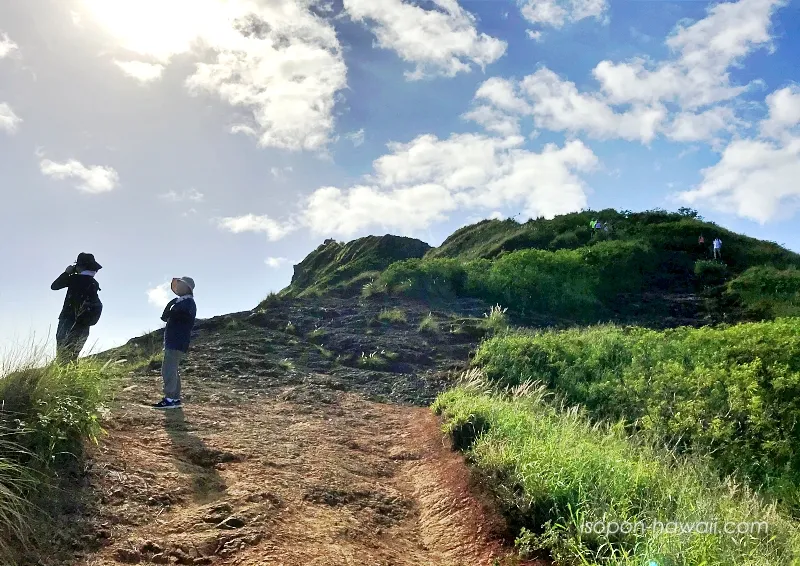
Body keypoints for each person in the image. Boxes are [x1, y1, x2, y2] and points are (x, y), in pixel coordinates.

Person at [153, 277, 197, 410]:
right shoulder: (183, 302)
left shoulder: (187, 302)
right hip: (176, 340)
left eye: (180, 284)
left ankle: (170, 398)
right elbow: (167, 317)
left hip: (176, 340)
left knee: (168, 369)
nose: (177, 287)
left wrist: (173, 310)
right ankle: (175, 398)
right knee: (172, 369)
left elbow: (182, 318)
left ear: (187, 287)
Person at [51, 253, 103, 363]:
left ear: (80, 266)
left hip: (68, 321)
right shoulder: (94, 283)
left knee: (63, 355)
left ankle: (63, 379)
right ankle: (71, 377)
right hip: (84, 323)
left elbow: (54, 286)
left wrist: (67, 272)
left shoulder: (75, 279)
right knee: (73, 356)